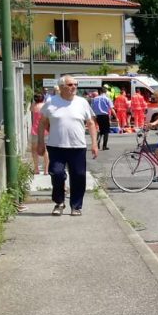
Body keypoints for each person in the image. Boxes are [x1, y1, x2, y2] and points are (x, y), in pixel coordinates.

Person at [36, 75, 98, 216]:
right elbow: (42, 123)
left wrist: (94, 143)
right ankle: (59, 202)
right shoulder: (51, 102)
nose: (74, 87)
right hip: (56, 146)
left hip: (77, 147)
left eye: (75, 84)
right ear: (62, 87)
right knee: (57, 174)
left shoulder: (82, 102)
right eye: (70, 85)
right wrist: (40, 142)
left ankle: (76, 206)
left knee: (78, 176)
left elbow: (91, 123)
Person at [29, 91, 48, 175]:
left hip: (35, 130)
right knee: (46, 151)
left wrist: (33, 102)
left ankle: (36, 169)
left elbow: (30, 109)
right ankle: (46, 170)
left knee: (34, 150)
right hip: (45, 130)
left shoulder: (34, 106)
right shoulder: (45, 106)